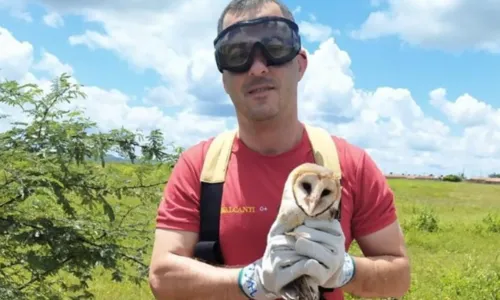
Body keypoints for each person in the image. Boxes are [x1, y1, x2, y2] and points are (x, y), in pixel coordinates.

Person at [148, 0, 411, 299]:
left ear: (300, 64)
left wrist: (344, 269)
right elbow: (162, 276)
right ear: (224, 79)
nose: (257, 67)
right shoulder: (199, 168)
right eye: (237, 54)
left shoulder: (352, 165)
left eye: (275, 47)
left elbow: (398, 276)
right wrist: (252, 281)